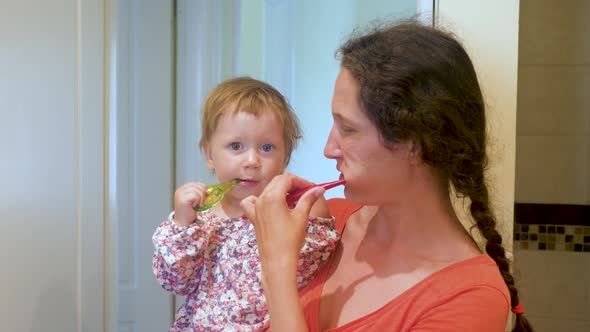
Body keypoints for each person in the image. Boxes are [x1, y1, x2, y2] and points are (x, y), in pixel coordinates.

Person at [240, 21, 534, 332]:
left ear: (418, 144)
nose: (329, 149)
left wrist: (276, 266)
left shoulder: (469, 298)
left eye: (348, 129)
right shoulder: (323, 226)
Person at [152, 77, 341, 331]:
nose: (252, 160)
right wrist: (183, 224)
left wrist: (305, 211)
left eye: (266, 147)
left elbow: (306, 272)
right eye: (236, 146)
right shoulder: (201, 213)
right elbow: (175, 282)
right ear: (210, 155)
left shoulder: (294, 211)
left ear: (284, 157)